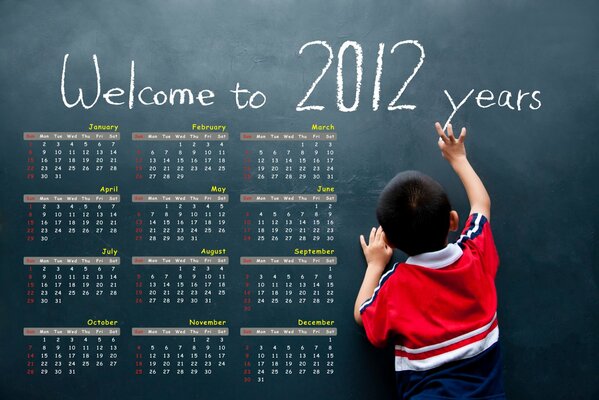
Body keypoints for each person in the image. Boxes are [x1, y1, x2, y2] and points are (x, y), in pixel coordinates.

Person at [354, 123, 506, 399]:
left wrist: (376, 266)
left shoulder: (396, 285)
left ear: (391, 242)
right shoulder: (476, 254)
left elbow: (363, 316)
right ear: (453, 221)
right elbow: (481, 204)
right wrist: (458, 159)